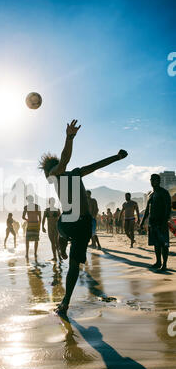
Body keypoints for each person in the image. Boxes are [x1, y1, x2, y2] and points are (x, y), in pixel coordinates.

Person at [39, 118, 128, 315]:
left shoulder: (63, 173)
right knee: (64, 226)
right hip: (73, 224)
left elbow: (92, 165)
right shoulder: (64, 174)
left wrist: (115, 157)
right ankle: (63, 245)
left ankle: (65, 302)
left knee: (74, 265)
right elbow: (66, 161)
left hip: (77, 225)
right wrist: (116, 157)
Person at [140, 174, 171, 272]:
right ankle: (158, 262)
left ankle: (164, 264)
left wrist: (164, 221)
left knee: (164, 244)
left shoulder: (164, 192)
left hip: (161, 222)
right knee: (156, 244)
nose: (153, 182)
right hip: (152, 222)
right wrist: (142, 221)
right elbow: (147, 210)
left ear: (159, 181)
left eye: (155, 180)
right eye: (151, 180)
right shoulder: (151, 194)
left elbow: (168, 207)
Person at [22, 195, 41, 260]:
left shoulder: (26, 207)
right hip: (36, 224)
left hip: (30, 224)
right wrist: (39, 225)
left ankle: (27, 254)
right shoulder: (37, 206)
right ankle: (35, 253)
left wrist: (27, 219)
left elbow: (23, 217)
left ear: (28, 200)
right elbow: (40, 217)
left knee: (27, 240)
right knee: (36, 240)